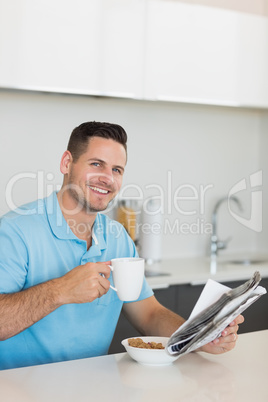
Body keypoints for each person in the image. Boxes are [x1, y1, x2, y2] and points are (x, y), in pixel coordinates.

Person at [0, 121, 244, 370]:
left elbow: (149, 314)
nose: (107, 178)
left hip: (94, 384)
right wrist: (60, 290)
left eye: (117, 170)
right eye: (96, 164)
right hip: (20, 386)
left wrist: (199, 337)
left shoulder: (117, 237)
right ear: (66, 163)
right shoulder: (14, 231)